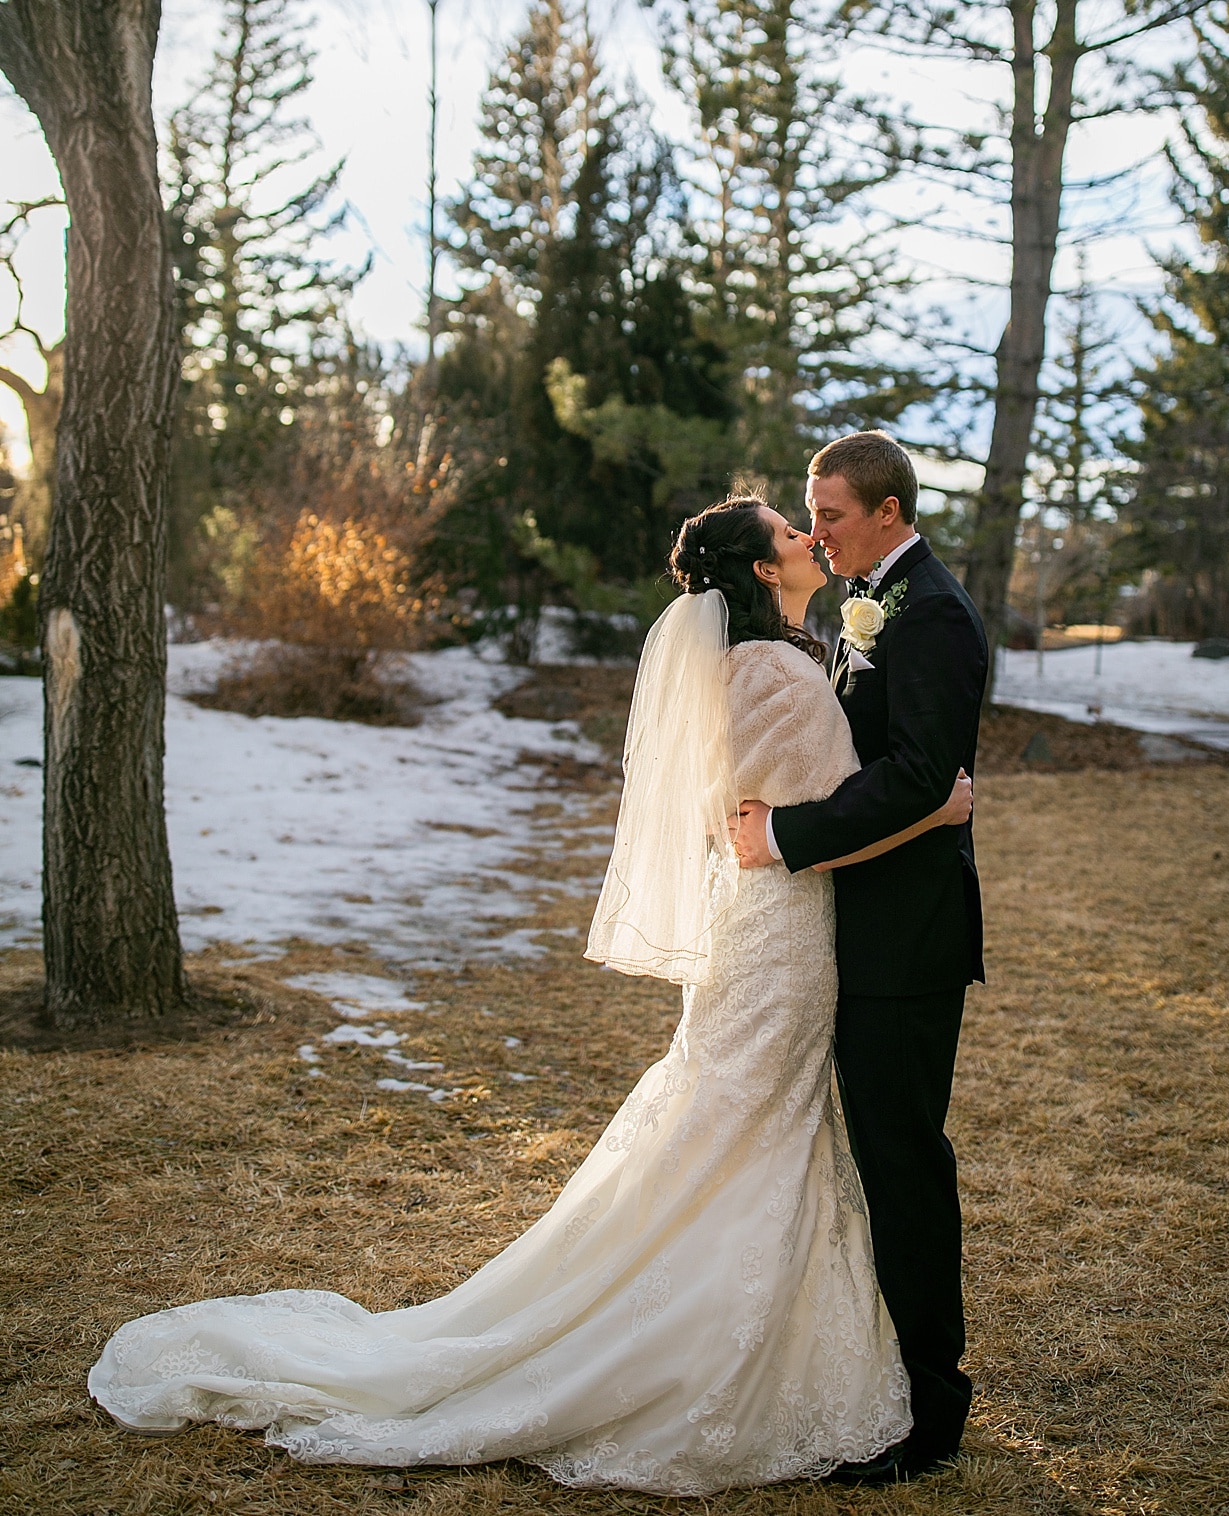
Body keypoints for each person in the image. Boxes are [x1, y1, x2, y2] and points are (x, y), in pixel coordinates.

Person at [88, 495, 971, 1495]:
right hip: (784, 941)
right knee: (752, 1128)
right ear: (766, 572)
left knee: (733, 1125)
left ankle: (719, 1323)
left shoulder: (728, 671)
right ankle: (700, 1352)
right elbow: (834, 817)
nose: (808, 534)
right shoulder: (776, 671)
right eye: (787, 527)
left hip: (752, 932)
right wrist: (937, 803)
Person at [735, 432, 988, 1485]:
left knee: (902, 1164)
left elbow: (924, 776)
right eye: (810, 513)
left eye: (830, 513)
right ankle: (876, 1375)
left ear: (888, 512)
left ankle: (932, 1408)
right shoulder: (863, 604)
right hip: (854, 930)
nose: (818, 529)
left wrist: (787, 840)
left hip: (907, 944)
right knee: (874, 1160)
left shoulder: (929, 614)